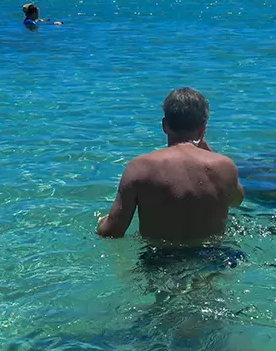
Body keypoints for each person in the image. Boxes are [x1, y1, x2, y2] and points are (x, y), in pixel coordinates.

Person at [97, 87, 245, 244]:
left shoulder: (139, 167)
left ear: (164, 125)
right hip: (213, 257)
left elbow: (113, 231)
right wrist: (205, 148)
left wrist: (101, 222)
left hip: (160, 260)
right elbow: (236, 200)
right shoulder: (223, 165)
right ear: (203, 129)